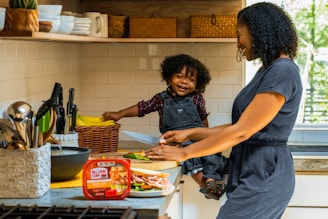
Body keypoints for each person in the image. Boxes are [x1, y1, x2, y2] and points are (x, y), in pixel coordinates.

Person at [145, 2, 302, 219]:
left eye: (239, 34)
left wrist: (184, 152)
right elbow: (242, 126)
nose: (238, 42)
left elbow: (241, 132)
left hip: (265, 173)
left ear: (257, 32)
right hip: (251, 169)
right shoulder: (267, 70)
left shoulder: (282, 71)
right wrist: (190, 133)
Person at [102, 53, 227, 200]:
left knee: (212, 153)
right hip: (177, 143)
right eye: (179, 76)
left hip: (197, 137)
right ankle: (204, 185)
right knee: (189, 159)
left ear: (197, 84)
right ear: (169, 77)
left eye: (191, 79)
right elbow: (142, 108)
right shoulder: (161, 99)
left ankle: (211, 182)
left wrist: (207, 137)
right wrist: (119, 114)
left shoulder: (197, 98)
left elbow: (203, 119)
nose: (184, 82)